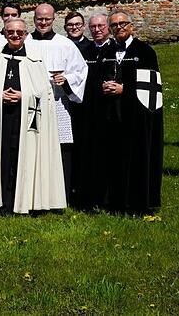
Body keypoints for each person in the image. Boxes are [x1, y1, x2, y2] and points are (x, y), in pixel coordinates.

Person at [0, 18, 66, 214]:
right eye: (11, 32)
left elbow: (45, 94)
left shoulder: (34, 61)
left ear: (26, 35)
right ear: (4, 33)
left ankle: (25, 201)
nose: (15, 35)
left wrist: (23, 96)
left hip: (25, 121)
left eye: (20, 32)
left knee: (22, 157)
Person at [93, 11, 163, 214]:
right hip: (111, 116)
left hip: (136, 116)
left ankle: (138, 203)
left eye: (123, 23)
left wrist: (124, 90)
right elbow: (96, 77)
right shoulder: (106, 52)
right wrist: (102, 86)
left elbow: (151, 86)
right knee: (113, 159)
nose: (119, 27)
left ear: (131, 25)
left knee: (136, 159)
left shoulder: (145, 51)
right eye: (114, 25)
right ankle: (114, 202)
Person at [28, 3, 87, 200]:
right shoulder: (26, 42)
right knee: (33, 147)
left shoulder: (65, 44)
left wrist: (66, 80)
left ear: (54, 20)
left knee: (61, 150)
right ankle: (34, 194)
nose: (43, 22)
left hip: (58, 102)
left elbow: (81, 71)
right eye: (39, 19)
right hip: (31, 104)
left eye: (47, 19)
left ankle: (62, 195)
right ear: (34, 19)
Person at [71, 12, 111, 209]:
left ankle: (107, 197)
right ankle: (86, 197)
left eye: (101, 26)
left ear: (108, 27)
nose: (97, 30)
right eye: (93, 27)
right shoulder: (84, 50)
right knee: (86, 154)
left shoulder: (114, 51)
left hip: (109, 112)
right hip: (86, 111)